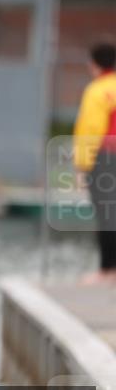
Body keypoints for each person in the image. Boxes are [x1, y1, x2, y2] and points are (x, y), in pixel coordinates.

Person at [73, 42, 116, 285]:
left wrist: (82, 164)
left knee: (106, 214)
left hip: (105, 157)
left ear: (95, 64)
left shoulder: (97, 91)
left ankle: (107, 270)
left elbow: (91, 129)